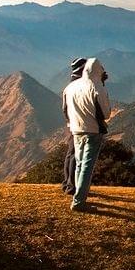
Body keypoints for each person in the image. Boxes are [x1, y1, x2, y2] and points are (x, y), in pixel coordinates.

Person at [62, 57, 111, 212]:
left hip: (76, 130)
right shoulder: (97, 87)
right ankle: (79, 202)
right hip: (93, 131)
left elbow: (65, 108)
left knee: (79, 164)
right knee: (87, 167)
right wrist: (102, 85)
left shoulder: (70, 87)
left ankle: (77, 194)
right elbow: (106, 113)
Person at [61, 57, 87, 195]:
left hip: (72, 125)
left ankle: (67, 184)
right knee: (75, 155)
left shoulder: (68, 87)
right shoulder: (80, 86)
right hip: (80, 125)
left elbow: (64, 109)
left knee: (70, 154)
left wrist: (70, 122)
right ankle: (71, 186)